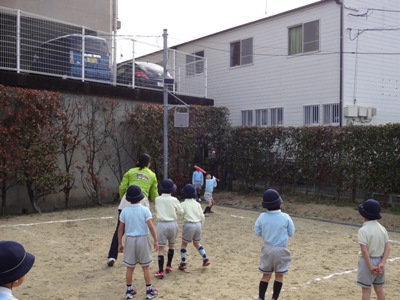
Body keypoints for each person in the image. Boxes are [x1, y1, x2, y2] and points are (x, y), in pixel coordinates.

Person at [107, 153, 159, 267]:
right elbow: (154, 193)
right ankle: (143, 257)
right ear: (148, 164)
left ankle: (112, 256)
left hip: (127, 200)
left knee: (119, 229)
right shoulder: (152, 175)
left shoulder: (130, 172)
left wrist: (124, 198)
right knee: (143, 230)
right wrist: (159, 204)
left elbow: (122, 187)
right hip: (142, 203)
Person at [118, 185, 159, 300]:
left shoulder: (125, 211)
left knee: (129, 268)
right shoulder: (145, 210)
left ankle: (129, 291)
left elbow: (120, 229)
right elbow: (150, 227)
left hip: (130, 240)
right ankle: (149, 291)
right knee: (146, 267)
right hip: (143, 239)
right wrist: (156, 240)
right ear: (140, 197)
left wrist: (120, 243)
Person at [254, 189, 295, 300]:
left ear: (265, 205)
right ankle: (274, 298)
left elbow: (257, 232)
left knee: (266, 275)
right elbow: (291, 233)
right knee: (279, 275)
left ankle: (261, 297)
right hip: (281, 250)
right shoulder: (286, 217)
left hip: (267, 248)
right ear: (279, 202)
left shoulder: (262, 216)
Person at [357, 199, 391, 300]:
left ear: (364, 215)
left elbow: (364, 251)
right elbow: (388, 247)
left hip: (368, 262)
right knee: (379, 288)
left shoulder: (363, 230)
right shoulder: (382, 228)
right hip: (380, 260)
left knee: (366, 291)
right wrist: (382, 263)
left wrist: (370, 266)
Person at [154, 179, 184, 279]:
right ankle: (169, 265)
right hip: (173, 224)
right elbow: (181, 211)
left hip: (162, 224)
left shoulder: (157, 199)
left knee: (161, 248)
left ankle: (160, 271)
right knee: (171, 245)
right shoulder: (174, 200)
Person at [178, 184, 210, 270]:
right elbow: (202, 216)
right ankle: (205, 258)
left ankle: (183, 262)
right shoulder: (197, 204)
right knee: (197, 243)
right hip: (198, 224)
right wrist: (201, 224)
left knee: (184, 244)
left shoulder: (183, 204)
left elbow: (180, 215)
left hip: (189, 224)